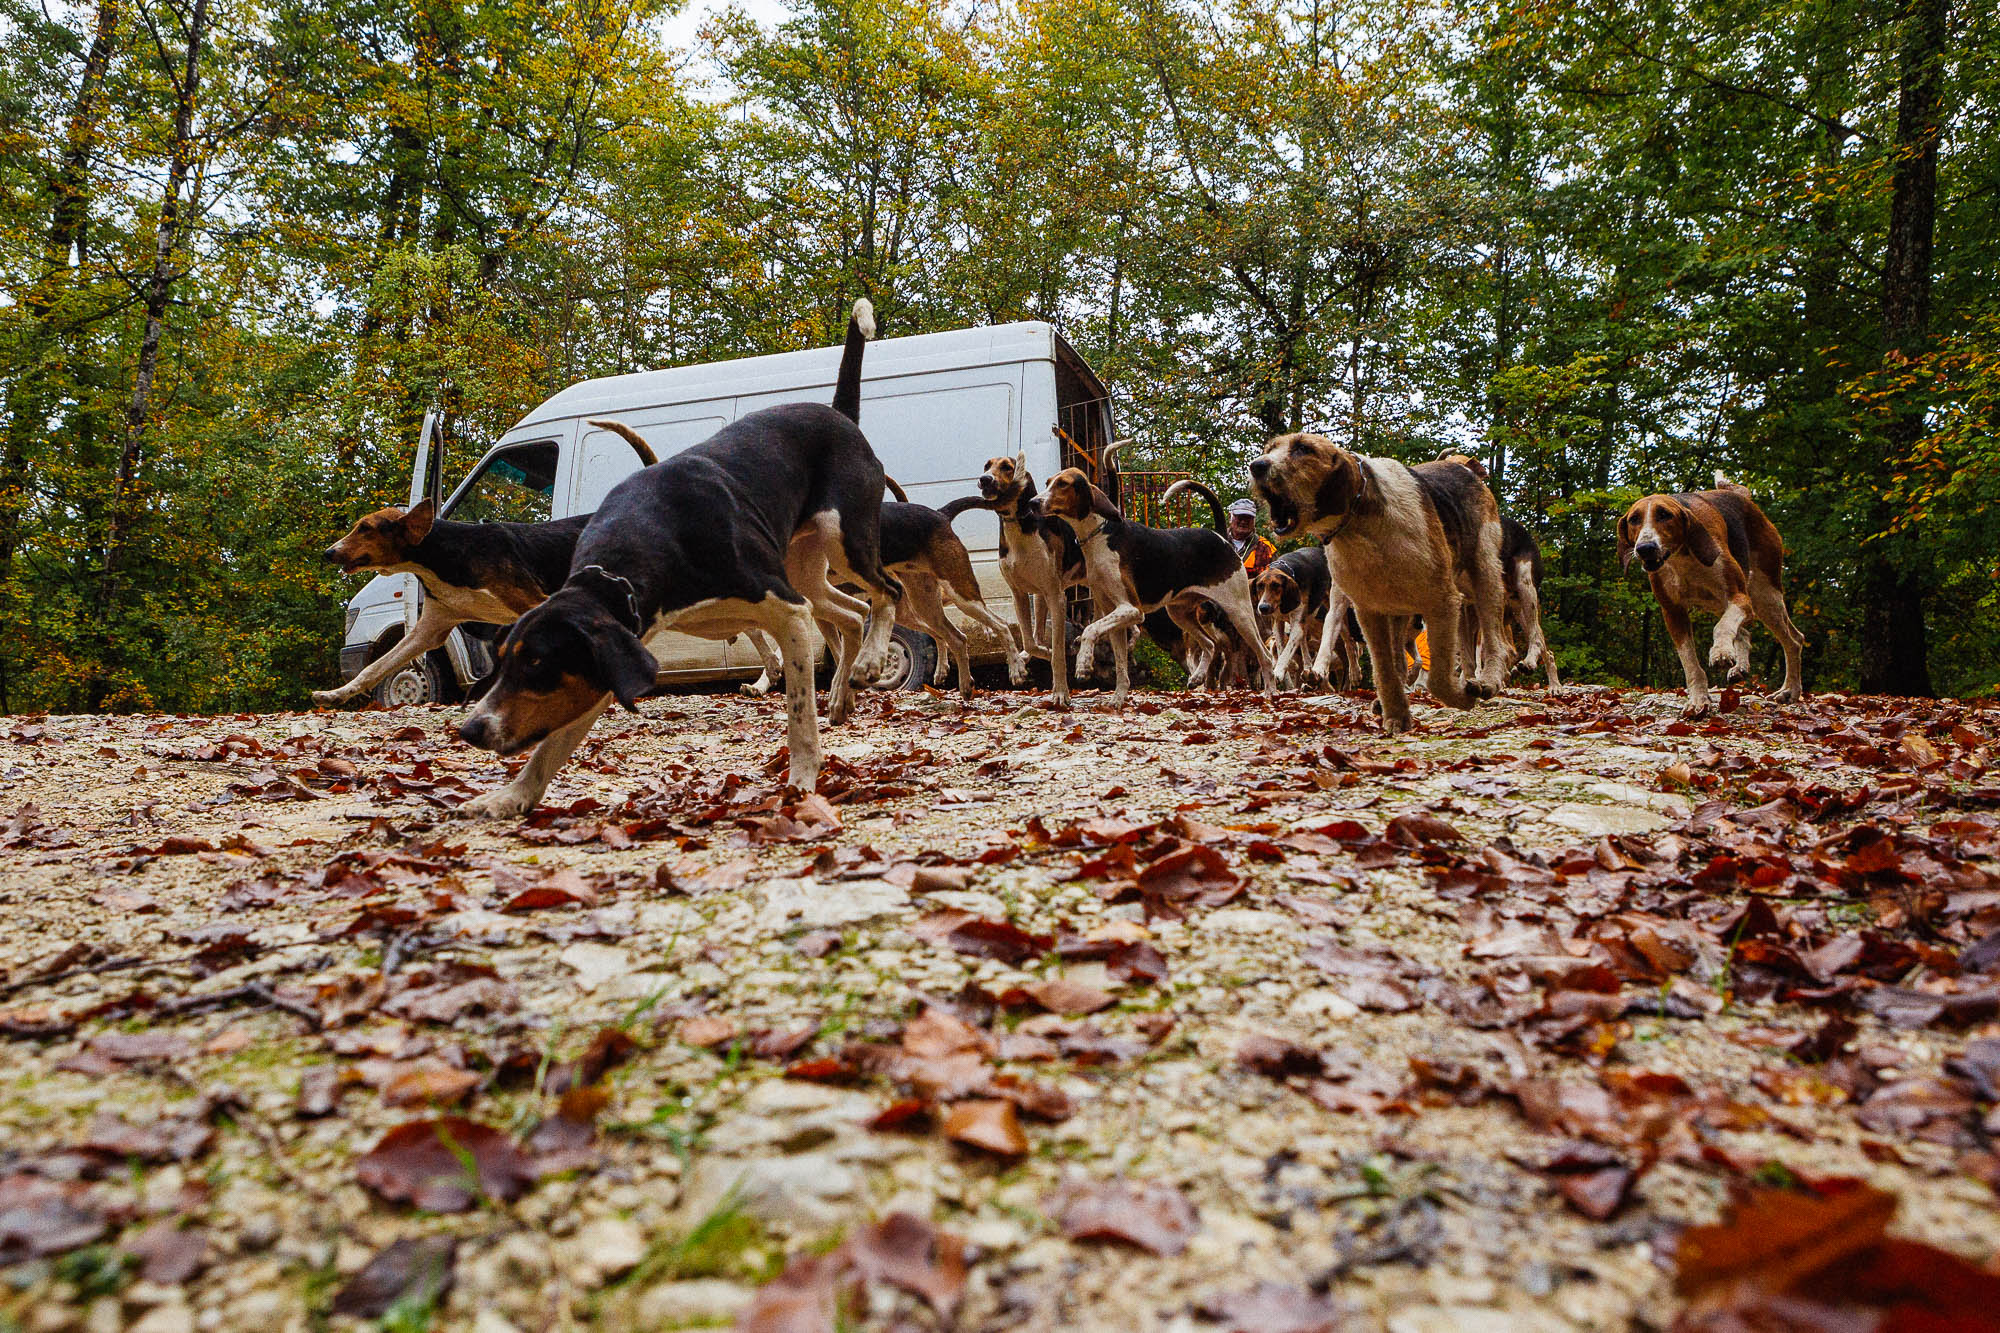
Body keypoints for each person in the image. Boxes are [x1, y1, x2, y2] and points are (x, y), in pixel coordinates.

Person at [1227, 498, 1277, 577]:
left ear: (1254, 520)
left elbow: (1275, 578)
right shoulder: (1216, 542)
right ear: (1230, 517)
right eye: (1240, 517)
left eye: (1248, 518)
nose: (1243, 521)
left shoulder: (1266, 548)